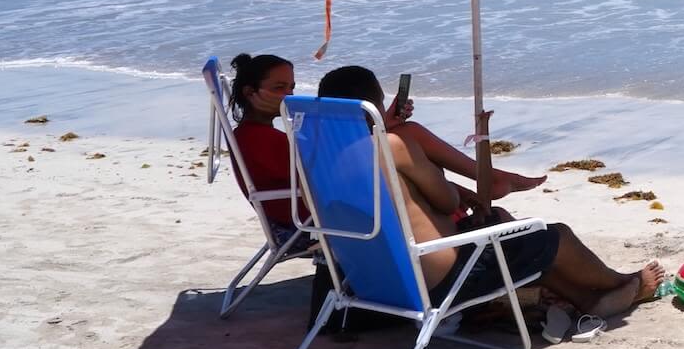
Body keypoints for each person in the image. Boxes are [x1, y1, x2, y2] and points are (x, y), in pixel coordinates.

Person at [313, 65, 661, 317]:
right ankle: (623, 283)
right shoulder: (392, 145)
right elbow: (448, 201)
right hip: (439, 280)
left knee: (513, 236)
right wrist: (442, 185)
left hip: (373, 279)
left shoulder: (317, 155)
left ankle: (589, 301)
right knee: (552, 235)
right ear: (375, 103)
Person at [227, 52, 299, 228]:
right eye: (279, 88)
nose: (289, 95)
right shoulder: (263, 139)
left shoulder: (246, 133)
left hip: (287, 221)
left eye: (291, 87)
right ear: (250, 92)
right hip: (305, 225)